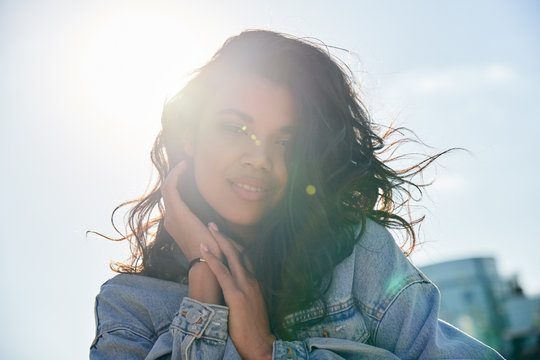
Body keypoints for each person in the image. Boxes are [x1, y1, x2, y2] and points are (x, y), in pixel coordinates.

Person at [90, 30, 504, 359]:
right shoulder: (129, 307)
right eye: (235, 129)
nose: (260, 159)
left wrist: (267, 351)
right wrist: (204, 293)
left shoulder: (356, 256)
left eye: (286, 142)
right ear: (189, 137)